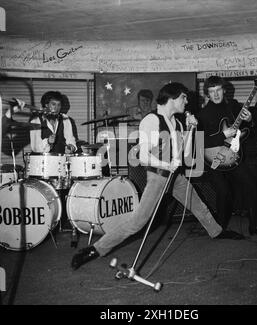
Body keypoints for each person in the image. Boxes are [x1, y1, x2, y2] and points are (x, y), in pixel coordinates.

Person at [71, 82, 245, 270]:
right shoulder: (151, 120)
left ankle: (217, 232)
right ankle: (94, 250)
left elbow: (184, 156)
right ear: (173, 98)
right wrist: (167, 164)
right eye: (183, 98)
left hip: (174, 175)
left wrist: (190, 129)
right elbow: (144, 156)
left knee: (197, 203)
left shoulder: (177, 122)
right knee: (138, 222)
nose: (186, 102)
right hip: (158, 176)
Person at [197, 75, 257, 249]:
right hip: (213, 158)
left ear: (224, 90)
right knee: (223, 192)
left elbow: (248, 130)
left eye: (218, 90)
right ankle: (219, 229)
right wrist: (224, 135)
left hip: (233, 156)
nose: (216, 95)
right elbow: (199, 142)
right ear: (207, 94)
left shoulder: (234, 106)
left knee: (252, 184)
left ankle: (255, 226)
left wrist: (250, 120)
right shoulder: (202, 114)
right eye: (211, 91)